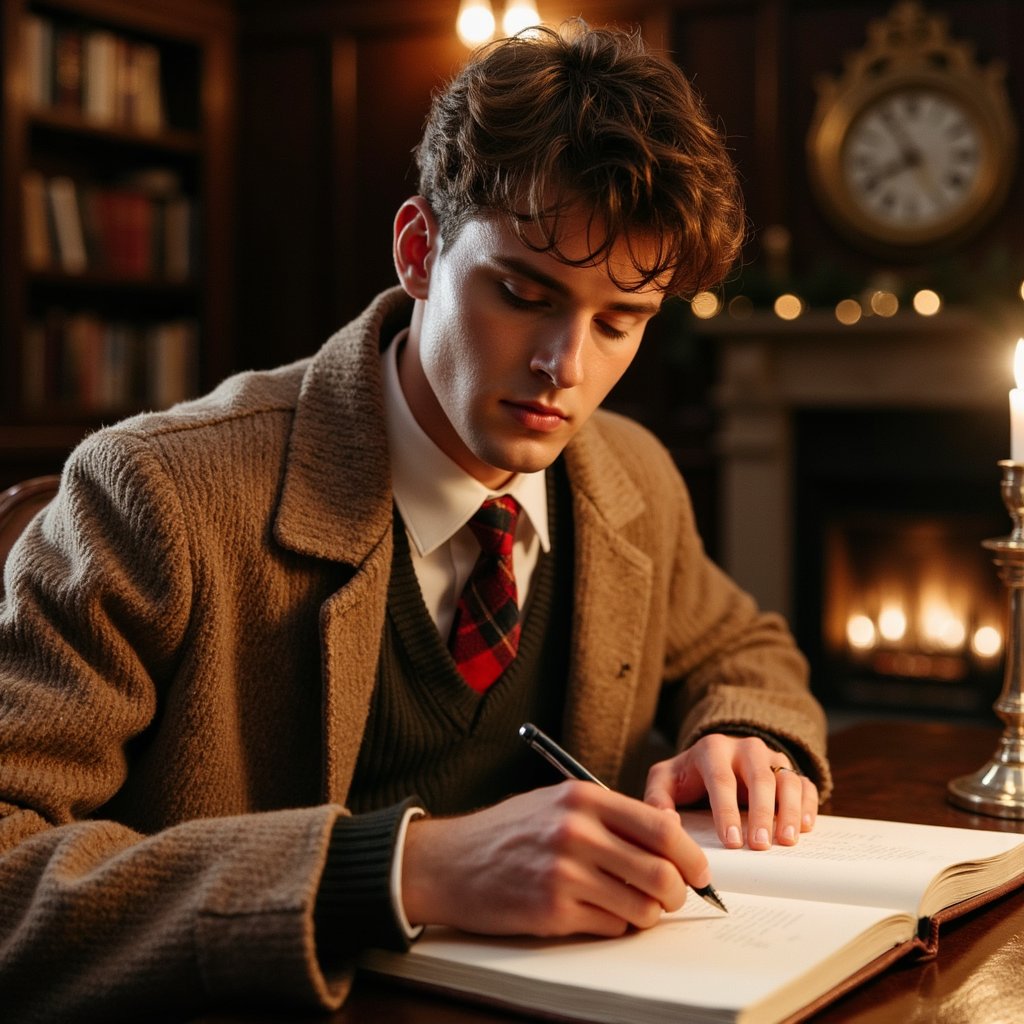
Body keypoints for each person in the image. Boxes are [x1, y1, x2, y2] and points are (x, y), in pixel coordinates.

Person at [0, 19, 831, 1022]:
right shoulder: (152, 494)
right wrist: (398, 868)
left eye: (621, 321)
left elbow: (745, 645)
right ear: (419, 250)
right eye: (524, 294)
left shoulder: (634, 476)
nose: (566, 368)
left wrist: (743, 733)